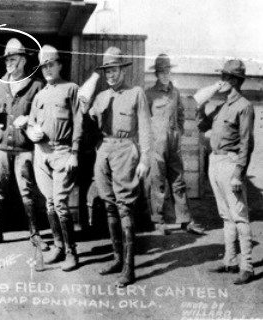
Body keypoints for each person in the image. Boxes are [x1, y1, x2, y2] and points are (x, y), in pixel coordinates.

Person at [87, 46, 151, 287]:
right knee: (109, 206)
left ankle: (129, 268)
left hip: (126, 150)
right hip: (103, 150)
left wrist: (145, 158)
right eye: (107, 71)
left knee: (125, 208)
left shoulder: (136, 94)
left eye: (114, 70)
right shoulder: (101, 97)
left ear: (122, 70)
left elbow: (145, 128)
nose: (110, 75)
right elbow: (88, 118)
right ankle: (116, 258)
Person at [0, 39, 44, 248]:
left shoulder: (36, 85)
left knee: (27, 190)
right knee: (0, 189)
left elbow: (41, 118)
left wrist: (30, 122)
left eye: (13, 59)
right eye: (7, 60)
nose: (9, 64)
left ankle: (35, 234)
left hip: (24, 147)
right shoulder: (0, 84)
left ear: (23, 60)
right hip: (1, 146)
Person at [196, 59, 254, 285]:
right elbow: (202, 126)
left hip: (231, 164)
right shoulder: (221, 106)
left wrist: (239, 173)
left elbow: (247, 143)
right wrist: (201, 105)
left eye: (226, 77)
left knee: (239, 216)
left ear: (236, 81)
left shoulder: (244, 106)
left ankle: (247, 266)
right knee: (226, 216)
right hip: (215, 162)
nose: (222, 81)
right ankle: (230, 261)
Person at [26, 45, 83, 271]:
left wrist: (75, 153)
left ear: (60, 65)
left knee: (59, 203)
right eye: (44, 66)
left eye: (51, 64)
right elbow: (31, 123)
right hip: (41, 153)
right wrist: (32, 133)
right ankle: (58, 247)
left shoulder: (71, 89)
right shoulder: (39, 95)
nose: (48, 70)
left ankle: (71, 253)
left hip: (62, 152)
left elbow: (79, 122)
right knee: (50, 202)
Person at [143, 53, 204, 236]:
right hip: (157, 144)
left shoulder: (175, 93)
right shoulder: (149, 94)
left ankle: (185, 220)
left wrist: (178, 132)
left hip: (173, 143)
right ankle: (158, 221)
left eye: (167, 71)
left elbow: (181, 114)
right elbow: (144, 121)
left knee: (178, 181)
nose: (164, 74)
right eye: (161, 72)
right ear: (156, 74)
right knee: (158, 182)